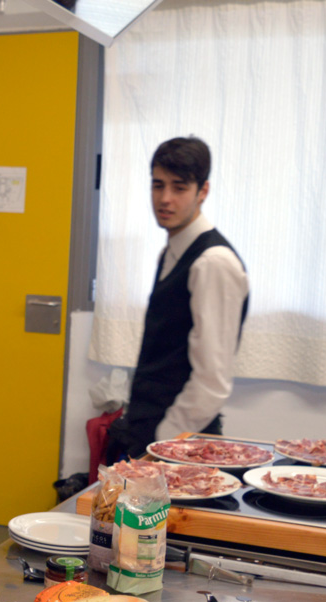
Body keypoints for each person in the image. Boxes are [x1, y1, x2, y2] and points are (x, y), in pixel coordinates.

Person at [106, 136, 249, 462]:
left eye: (179, 187)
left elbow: (211, 381)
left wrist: (161, 446)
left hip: (178, 445)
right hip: (153, 435)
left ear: (203, 191)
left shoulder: (213, 262)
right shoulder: (171, 251)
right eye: (158, 185)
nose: (165, 199)